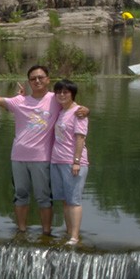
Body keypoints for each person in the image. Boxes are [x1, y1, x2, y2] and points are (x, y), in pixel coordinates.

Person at [0, 65, 88, 236]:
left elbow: (73, 107)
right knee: (20, 195)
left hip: (42, 158)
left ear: (47, 79)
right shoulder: (19, 101)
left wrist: (85, 110)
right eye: (33, 78)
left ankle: (46, 233)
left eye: (41, 77)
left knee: (44, 198)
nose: (37, 81)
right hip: (18, 157)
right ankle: (21, 230)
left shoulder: (55, 99)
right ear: (28, 82)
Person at [51, 79, 89, 245]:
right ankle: (68, 232)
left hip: (71, 162)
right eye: (58, 92)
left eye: (65, 92)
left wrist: (76, 161)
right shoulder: (61, 111)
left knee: (74, 200)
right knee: (65, 200)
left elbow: (80, 138)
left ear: (72, 94)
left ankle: (75, 236)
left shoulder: (78, 113)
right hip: (57, 160)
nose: (61, 95)